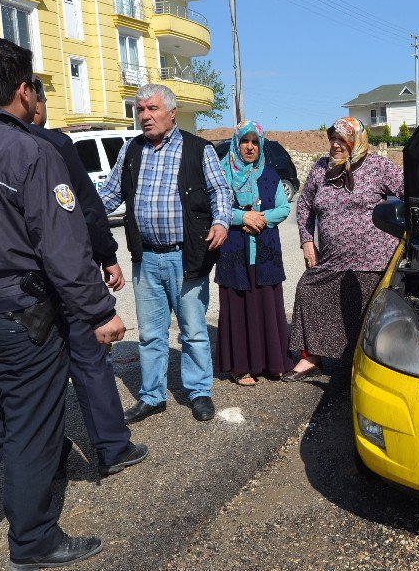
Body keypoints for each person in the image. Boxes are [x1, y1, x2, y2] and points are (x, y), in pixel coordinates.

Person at [0, 37, 126, 571]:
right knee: (33, 424)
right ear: (22, 89)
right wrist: (99, 312)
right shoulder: (30, 151)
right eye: (34, 88)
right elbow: (63, 245)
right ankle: (33, 538)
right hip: (20, 316)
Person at [30, 80, 148, 476]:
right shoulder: (53, 145)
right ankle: (113, 448)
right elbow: (88, 207)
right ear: (32, 99)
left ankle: (52, 452)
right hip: (67, 278)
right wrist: (108, 256)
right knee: (90, 361)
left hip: (16, 292)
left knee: (38, 376)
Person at [98, 83, 232, 423]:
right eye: (140, 110)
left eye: (152, 109)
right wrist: (76, 216)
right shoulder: (131, 151)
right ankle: (153, 396)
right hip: (146, 258)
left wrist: (220, 223)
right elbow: (110, 195)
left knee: (193, 330)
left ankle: (199, 392)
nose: (145, 116)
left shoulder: (197, 149)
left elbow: (220, 192)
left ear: (171, 112)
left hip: (185, 257)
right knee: (151, 334)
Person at [284, 117, 403, 381]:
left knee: (365, 309)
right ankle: (312, 357)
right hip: (332, 258)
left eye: (342, 140)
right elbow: (304, 206)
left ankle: (364, 361)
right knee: (309, 289)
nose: (336, 145)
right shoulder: (321, 169)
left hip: (373, 259)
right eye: (333, 140)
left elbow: (410, 192)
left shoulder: (378, 166)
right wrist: (306, 241)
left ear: (356, 141)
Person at [214, 121, 292, 385]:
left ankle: (273, 362)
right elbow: (216, 207)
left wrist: (260, 219)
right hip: (235, 252)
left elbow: (283, 209)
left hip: (265, 251)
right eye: (245, 141)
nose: (249, 147)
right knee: (238, 307)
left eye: (254, 142)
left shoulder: (268, 174)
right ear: (237, 143)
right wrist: (242, 217)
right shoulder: (222, 174)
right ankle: (240, 367)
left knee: (267, 306)